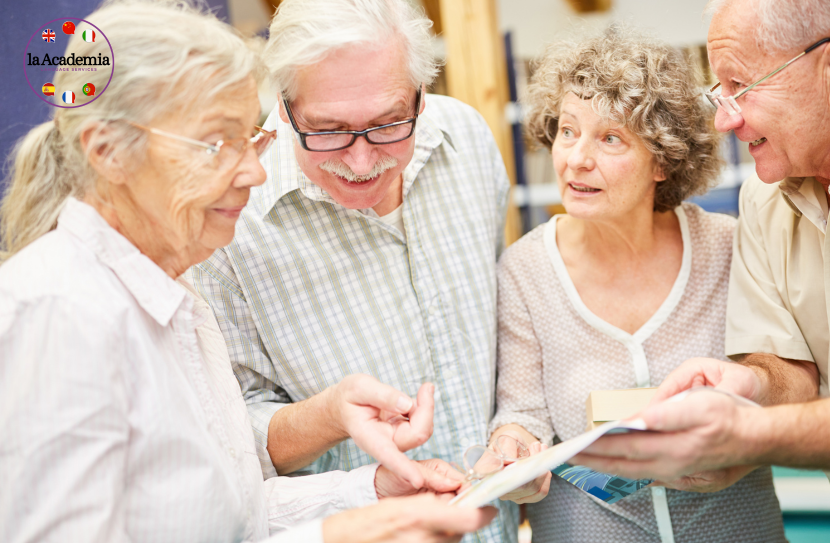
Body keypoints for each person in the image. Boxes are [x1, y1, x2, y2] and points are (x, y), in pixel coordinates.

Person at [0, 2, 495, 541]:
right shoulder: (56, 312)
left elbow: (232, 511)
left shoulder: (174, 297)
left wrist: (368, 495)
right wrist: (334, 536)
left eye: (248, 138)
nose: (255, 170)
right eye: (216, 144)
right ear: (109, 153)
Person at [572, 1, 830, 542]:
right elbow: (791, 372)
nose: (724, 118)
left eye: (741, 85)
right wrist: (750, 385)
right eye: (719, 90)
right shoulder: (765, 196)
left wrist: (748, 435)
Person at [191, 0, 515, 540]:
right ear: (285, 106)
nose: (362, 162)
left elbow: (501, 334)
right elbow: (226, 442)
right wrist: (327, 415)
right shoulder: (230, 221)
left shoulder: (468, 141)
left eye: (389, 124)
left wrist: (515, 430)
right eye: (328, 130)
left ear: (421, 95)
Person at [487, 26, 785, 543]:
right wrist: (511, 449)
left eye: (610, 138)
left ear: (663, 160)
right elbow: (522, 413)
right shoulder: (524, 270)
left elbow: (782, 386)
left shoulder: (728, 247)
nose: (576, 158)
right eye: (567, 130)